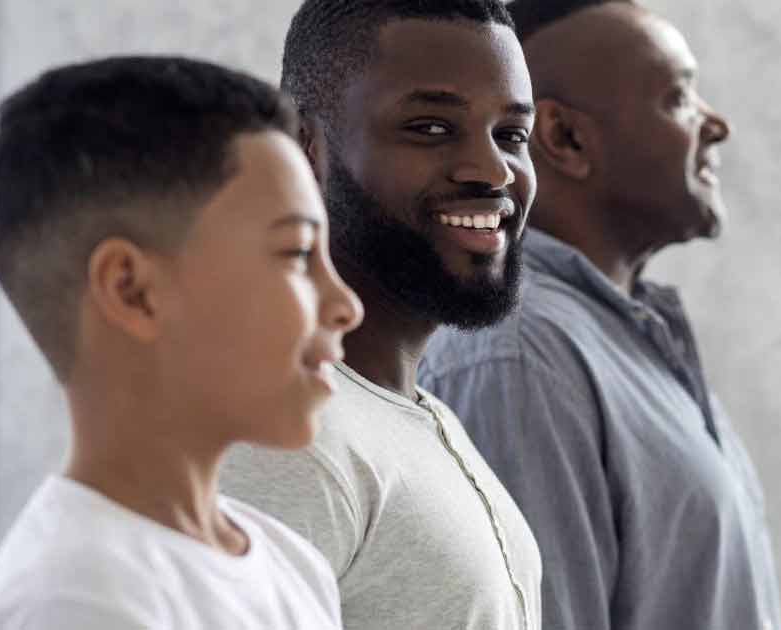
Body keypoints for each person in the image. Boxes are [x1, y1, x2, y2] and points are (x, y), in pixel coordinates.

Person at [419, 2, 781, 630]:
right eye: (677, 97)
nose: (716, 124)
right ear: (565, 139)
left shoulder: (627, 336)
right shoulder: (521, 356)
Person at [0, 55, 363, 630]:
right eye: (299, 254)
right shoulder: (73, 605)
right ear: (132, 291)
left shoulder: (291, 562)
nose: (346, 304)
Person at [219, 2, 542, 629]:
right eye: (431, 128)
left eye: (512, 136)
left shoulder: (416, 416)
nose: (494, 169)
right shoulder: (282, 439)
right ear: (304, 147)